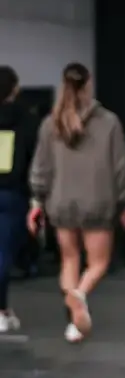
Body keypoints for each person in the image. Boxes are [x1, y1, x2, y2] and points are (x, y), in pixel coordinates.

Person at [27, 62, 125, 343]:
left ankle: (73, 322)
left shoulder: (51, 123)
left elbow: (41, 167)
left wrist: (37, 201)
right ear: (88, 84)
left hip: (61, 202)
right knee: (98, 263)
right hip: (97, 203)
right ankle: (80, 295)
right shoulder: (109, 122)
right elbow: (120, 166)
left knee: (69, 259)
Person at [0, 65, 39, 332]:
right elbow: (35, 161)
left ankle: (3, 309)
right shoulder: (28, 120)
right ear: (15, 89)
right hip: (14, 194)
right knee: (4, 254)